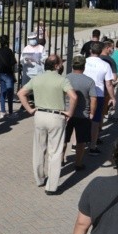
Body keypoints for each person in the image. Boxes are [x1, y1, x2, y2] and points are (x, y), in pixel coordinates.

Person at [17, 54, 77, 195]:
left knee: (39, 149)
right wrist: (70, 112)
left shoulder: (37, 78)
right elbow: (74, 96)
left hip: (39, 115)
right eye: (60, 63)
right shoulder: (62, 80)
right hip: (56, 116)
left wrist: (30, 109)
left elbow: (21, 93)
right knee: (55, 152)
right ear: (56, 66)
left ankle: (39, 178)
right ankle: (51, 186)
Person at [64, 56, 97, 170]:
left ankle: (60, 160)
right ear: (84, 66)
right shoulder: (89, 81)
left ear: (72, 66)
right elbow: (93, 99)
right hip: (83, 115)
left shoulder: (66, 78)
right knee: (81, 141)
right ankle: (78, 164)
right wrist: (92, 113)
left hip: (66, 113)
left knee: (64, 139)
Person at [83, 42, 115, 156]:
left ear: (90, 51)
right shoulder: (105, 65)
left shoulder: (84, 61)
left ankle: (76, 143)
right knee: (95, 122)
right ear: (101, 51)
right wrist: (112, 97)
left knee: (81, 119)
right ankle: (92, 145)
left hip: (84, 94)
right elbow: (109, 84)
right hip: (98, 95)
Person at [0, 34, 17, 118]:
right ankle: (11, 112)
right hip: (8, 74)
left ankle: (3, 111)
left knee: (3, 93)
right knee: (10, 94)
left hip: (1, 74)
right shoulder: (9, 51)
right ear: (7, 41)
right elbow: (13, 63)